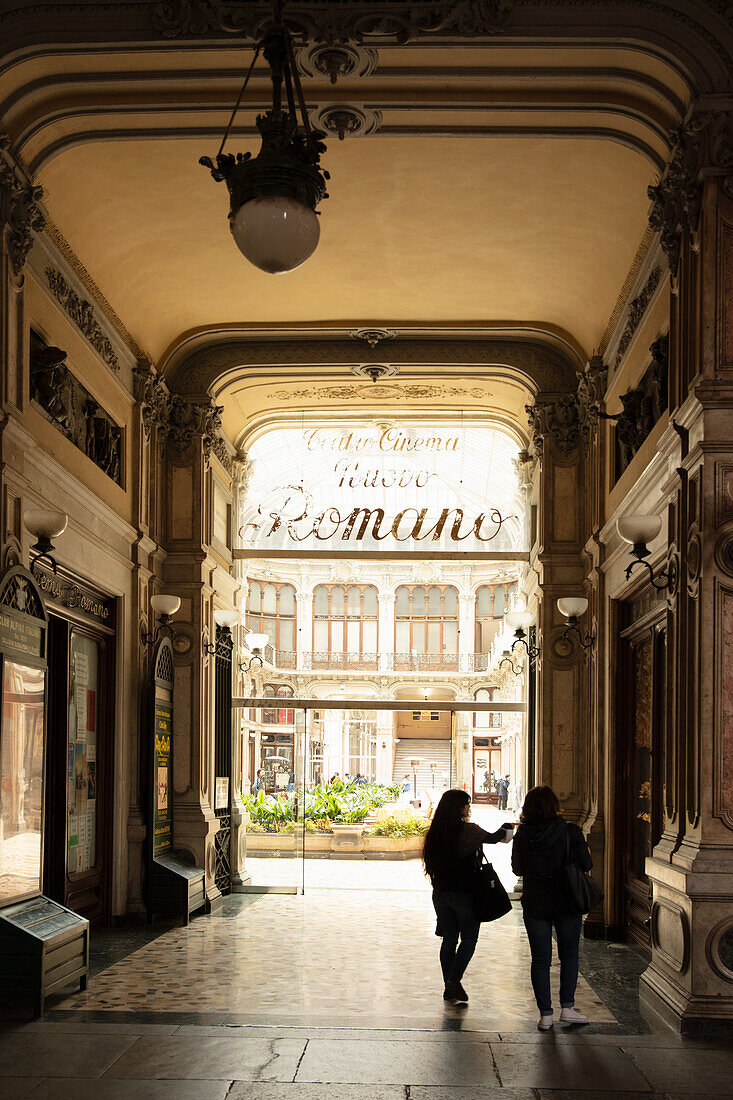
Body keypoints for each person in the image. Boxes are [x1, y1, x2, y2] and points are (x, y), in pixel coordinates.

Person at [511, 784, 593, 1031]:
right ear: (555, 806)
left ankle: (545, 1014)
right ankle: (567, 1008)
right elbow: (587, 863)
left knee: (540, 959)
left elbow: (517, 869)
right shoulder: (571, 831)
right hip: (568, 901)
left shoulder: (523, 835)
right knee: (568, 956)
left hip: (536, 902)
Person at [422, 789, 514, 1005]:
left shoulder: (435, 832)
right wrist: (508, 828)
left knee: (449, 939)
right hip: (464, 894)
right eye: (467, 804)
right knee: (469, 939)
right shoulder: (469, 831)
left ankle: (448, 987)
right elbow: (496, 838)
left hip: (441, 893)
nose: (469, 807)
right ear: (459, 808)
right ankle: (454, 980)